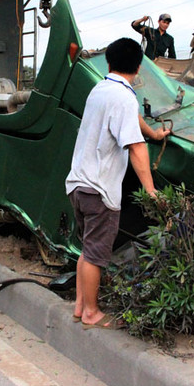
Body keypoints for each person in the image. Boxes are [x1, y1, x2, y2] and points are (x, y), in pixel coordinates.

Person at [65, 37, 171, 329]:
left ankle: (79, 306)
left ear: (109, 63)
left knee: (87, 250)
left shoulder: (100, 89)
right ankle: (91, 312)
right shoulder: (124, 97)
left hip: (79, 184)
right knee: (97, 255)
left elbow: (132, 118)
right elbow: (136, 148)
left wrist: (154, 133)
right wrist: (151, 192)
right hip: (99, 191)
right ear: (139, 68)